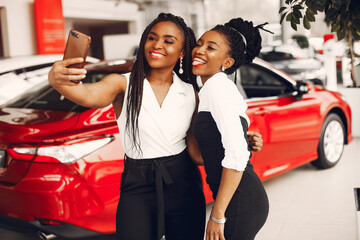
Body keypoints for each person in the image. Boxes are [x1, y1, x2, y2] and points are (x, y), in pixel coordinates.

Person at [48, 13, 262, 240]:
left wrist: (240, 140)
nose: (157, 45)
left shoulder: (191, 92)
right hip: (137, 185)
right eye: (152, 38)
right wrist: (58, 81)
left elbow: (197, 154)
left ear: (182, 52)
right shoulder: (123, 83)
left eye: (168, 41)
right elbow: (88, 95)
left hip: (184, 183)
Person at [191, 17, 270, 240]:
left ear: (227, 62)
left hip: (239, 201)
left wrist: (217, 215)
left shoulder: (218, 87)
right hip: (238, 199)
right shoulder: (209, 89)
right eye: (199, 43)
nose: (199, 50)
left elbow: (236, 153)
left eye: (210, 47)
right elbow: (202, 155)